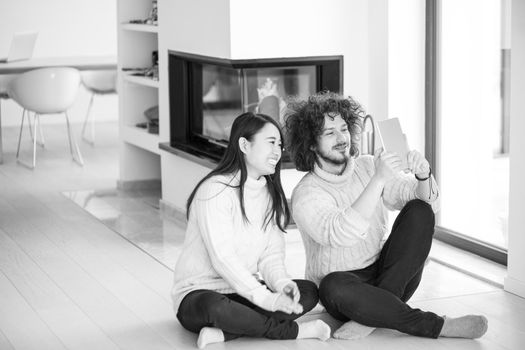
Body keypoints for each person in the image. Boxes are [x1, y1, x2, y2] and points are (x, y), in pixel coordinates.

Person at [285, 91, 488, 340]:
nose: (342, 138)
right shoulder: (306, 194)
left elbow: (425, 202)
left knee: (419, 211)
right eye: (330, 133)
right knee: (331, 286)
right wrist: (379, 179)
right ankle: (437, 325)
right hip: (345, 290)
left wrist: (423, 175)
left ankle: (372, 315)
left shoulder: (369, 165)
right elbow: (343, 233)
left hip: (389, 276)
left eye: (344, 129)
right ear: (311, 143)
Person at [172, 112, 331, 349]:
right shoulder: (215, 190)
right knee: (217, 308)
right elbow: (222, 259)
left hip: (243, 293)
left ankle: (225, 334)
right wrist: (267, 299)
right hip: (200, 294)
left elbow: (271, 256)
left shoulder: (270, 194)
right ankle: (294, 331)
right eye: (270, 143)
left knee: (307, 291)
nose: (277, 151)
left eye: (279, 144)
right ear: (244, 144)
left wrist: (281, 285)